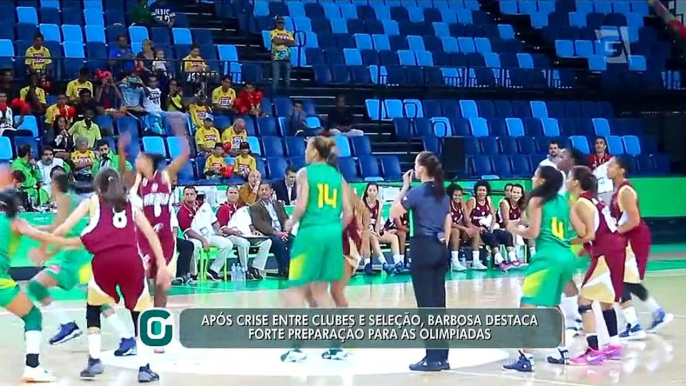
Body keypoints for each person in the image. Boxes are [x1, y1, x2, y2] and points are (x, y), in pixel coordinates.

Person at [25, 169, 169, 382]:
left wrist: (44, 246)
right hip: (130, 260)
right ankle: (144, 368)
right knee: (139, 313)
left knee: (93, 308)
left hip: (103, 261)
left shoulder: (92, 201)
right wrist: (163, 266)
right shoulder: (132, 205)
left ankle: (93, 361)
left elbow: (64, 228)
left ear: (97, 185)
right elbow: (151, 235)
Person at [27, 173, 136, 357]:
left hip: (80, 256)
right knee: (94, 297)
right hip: (81, 254)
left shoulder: (67, 199)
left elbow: (60, 229)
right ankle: (125, 337)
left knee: (37, 285)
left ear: (55, 184)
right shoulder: (113, 201)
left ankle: (72, 326)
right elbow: (59, 229)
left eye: (51, 183)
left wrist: (42, 245)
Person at [280, 136, 352, 362]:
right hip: (332, 235)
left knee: (296, 289)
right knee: (321, 291)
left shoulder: (304, 173)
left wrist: (290, 222)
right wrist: (331, 229)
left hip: (310, 233)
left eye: (307, 147)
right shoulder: (337, 176)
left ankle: (296, 347)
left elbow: (301, 205)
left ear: (313, 152)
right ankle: (336, 346)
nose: (305, 152)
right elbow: (348, 213)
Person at [501, 166, 576, 372]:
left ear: (542, 181)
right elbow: (580, 229)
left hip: (547, 257)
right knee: (553, 304)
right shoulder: (563, 201)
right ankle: (562, 351)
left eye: (536, 175)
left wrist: (512, 228)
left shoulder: (536, 201)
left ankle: (526, 356)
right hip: (566, 255)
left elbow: (533, 232)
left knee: (527, 305)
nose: (532, 178)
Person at [124, 129, 189, 349]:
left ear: (149, 161)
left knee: (162, 286)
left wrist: (180, 129)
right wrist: (120, 149)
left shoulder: (165, 176)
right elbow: (123, 169)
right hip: (142, 239)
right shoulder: (136, 181)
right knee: (140, 284)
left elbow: (184, 155)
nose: (137, 160)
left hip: (165, 240)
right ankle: (138, 332)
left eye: (140, 158)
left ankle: (158, 334)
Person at [389, 151, 451, 372]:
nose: (414, 169)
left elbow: (393, 212)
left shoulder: (417, 192)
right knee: (439, 303)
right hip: (440, 248)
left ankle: (432, 357)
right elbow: (447, 222)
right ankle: (442, 356)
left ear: (422, 168)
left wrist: (404, 187)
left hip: (423, 248)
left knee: (426, 305)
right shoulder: (443, 194)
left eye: (416, 165)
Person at [607, 156, 673, 338]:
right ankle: (657, 313)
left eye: (611, 165)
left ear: (621, 170)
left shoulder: (625, 191)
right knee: (628, 280)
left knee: (620, 280)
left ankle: (634, 326)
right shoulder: (618, 190)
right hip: (629, 237)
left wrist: (615, 233)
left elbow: (634, 220)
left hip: (635, 238)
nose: (608, 168)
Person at [565, 165, 625, 365]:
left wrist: (566, 242)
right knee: (605, 300)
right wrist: (583, 251)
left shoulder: (581, 203)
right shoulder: (593, 199)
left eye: (569, 177)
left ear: (575, 182)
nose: (566, 180)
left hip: (606, 253)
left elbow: (588, 235)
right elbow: (597, 233)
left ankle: (593, 350)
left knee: (584, 302)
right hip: (614, 249)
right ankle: (614, 345)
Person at [0, 190, 55, 382]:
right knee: (32, 316)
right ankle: (33, 367)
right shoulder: (16, 222)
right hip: (1, 283)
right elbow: (39, 234)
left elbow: (35, 228)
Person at [177, 186, 233, 281]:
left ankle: (213, 270)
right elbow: (187, 230)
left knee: (227, 244)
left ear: (196, 195)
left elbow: (214, 222)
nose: (189, 196)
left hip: (210, 235)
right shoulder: (182, 211)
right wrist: (202, 239)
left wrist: (218, 231)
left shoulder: (205, 205)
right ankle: (193, 274)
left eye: (191, 194)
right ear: (183, 196)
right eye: (187, 194)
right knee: (194, 246)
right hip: (194, 238)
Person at [217, 185, 272, 280]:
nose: (233, 195)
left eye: (235, 193)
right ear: (226, 194)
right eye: (231, 193)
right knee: (243, 243)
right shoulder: (223, 209)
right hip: (230, 236)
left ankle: (256, 268)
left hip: (246, 234)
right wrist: (234, 232)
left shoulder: (242, 208)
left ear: (238, 194)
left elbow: (249, 223)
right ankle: (245, 269)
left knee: (267, 242)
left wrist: (254, 231)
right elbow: (222, 228)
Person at [250, 182, 293, 278]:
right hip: (268, 234)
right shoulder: (255, 207)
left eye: (266, 189)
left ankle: (293, 268)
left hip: (282, 232)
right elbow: (260, 224)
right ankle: (285, 269)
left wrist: (285, 231)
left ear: (271, 191)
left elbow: (285, 218)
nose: (264, 192)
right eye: (261, 190)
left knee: (294, 240)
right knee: (278, 242)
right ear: (258, 192)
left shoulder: (278, 204)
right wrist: (277, 233)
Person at [361, 183, 404, 275]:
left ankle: (398, 263)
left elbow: (377, 221)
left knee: (393, 237)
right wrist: (370, 231)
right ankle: (384, 264)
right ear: (367, 192)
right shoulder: (362, 203)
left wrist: (377, 232)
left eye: (374, 190)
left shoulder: (379, 204)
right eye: (370, 190)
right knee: (372, 237)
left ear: (377, 192)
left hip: (374, 231)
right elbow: (359, 222)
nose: (372, 192)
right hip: (364, 231)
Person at [466, 180, 500, 270]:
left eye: (484, 190)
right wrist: (476, 228)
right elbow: (466, 219)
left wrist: (491, 226)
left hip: (486, 228)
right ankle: (478, 261)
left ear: (487, 191)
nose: (482, 192)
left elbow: (493, 216)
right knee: (489, 236)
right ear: (476, 191)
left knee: (503, 234)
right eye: (479, 190)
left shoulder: (488, 200)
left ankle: (508, 259)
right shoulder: (472, 201)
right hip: (474, 229)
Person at [496, 183, 526, 267]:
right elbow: (506, 222)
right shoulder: (504, 203)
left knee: (530, 230)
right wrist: (518, 222)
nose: (515, 194)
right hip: (502, 228)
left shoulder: (522, 204)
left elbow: (524, 221)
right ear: (510, 193)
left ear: (521, 194)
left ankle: (533, 255)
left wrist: (519, 222)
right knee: (511, 229)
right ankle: (514, 258)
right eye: (514, 192)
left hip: (516, 226)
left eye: (518, 193)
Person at [446, 184, 472, 272]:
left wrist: (471, 228)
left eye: (460, 195)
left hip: (459, 227)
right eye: (455, 195)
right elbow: (450, 223)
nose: (458, 197)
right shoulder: (447, 204)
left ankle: (476, 260)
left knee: (474, 232)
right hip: (445, 228)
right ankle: (455, 261)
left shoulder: (462, 204)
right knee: (455, 231)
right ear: (450, 195)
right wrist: (464, 229)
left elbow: (467, 220)